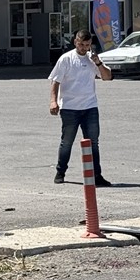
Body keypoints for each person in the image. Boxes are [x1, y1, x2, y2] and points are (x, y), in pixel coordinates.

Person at [48, 29, 113, 186]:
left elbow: (107, 77)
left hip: (90, 107)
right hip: (70, 108)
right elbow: (55, 81)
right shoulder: (66, 59)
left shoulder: (93, 59)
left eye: (87, 44)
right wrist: (53, 101)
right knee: (67, 141)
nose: (84, 47)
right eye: (81, 44)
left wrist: (98, 62)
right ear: (75, 42)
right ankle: (60, 172)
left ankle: (97, 175)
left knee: (93, 142)